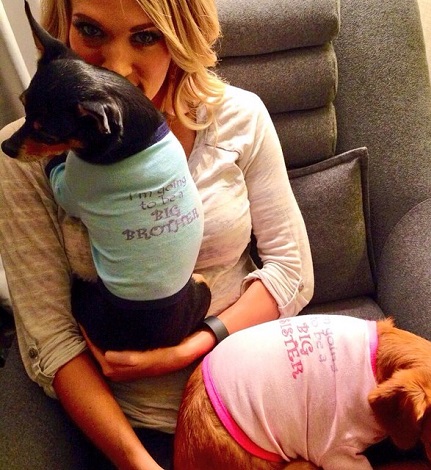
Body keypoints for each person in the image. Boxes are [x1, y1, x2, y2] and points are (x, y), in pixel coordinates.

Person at [0, 0, 313, 469]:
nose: (117, 68)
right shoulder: (26, 154)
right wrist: (138, 462)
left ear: (180, 37)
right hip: (140, 428)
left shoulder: (239, 118)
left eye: (146, 37)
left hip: (258, 395)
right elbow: (53, 340)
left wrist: (193, 345)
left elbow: (292, 272)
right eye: (91, 31)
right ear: (61, 29)